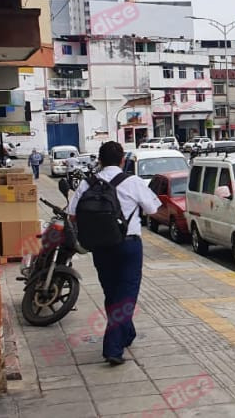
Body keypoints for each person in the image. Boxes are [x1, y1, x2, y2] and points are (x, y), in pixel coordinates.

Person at [68, 141, 161, 366]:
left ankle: (126, 334)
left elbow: (72, 214)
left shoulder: (87, 184)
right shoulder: (133, 182)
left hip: (100, 246)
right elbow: (154, 209)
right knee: (126, 296)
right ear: (122, 160)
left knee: (112, 293)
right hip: (128, 246)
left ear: (99, 160)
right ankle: (113, 347)